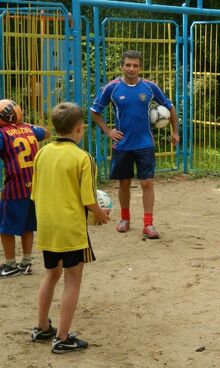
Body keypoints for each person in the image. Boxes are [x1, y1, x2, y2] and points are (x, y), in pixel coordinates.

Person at [31, 102, 110, 352]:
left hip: (47, 226)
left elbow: (35, 193)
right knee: (72, 280)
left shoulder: (42, 153)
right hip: (71, 229)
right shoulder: (82, 158)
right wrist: (101, 215)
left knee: (51, 274)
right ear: (80, 127)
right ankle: (63, 338)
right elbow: (89, 200)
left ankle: (42, 327)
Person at [90, 50, 179, 239]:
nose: (131, 69)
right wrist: (108, 131)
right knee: (124, 182)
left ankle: (148, 224)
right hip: (122, 145)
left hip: (145, 143)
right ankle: (125, 219)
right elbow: (94, 111)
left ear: (140, 68)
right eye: (128, 65)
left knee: (147, 182)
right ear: (122, 66)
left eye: (135, 65)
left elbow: (170, 107)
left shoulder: (150, 87)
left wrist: (175, 131)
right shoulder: (111, 88)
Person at [0, 99, 50, 278]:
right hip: (32, 186)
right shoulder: (29, 129)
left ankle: (10, 264)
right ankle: (26, 262)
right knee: (27, 225)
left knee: (5, 227)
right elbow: (46, 132)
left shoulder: (3, 133)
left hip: (14, 188)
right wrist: (23, 124)